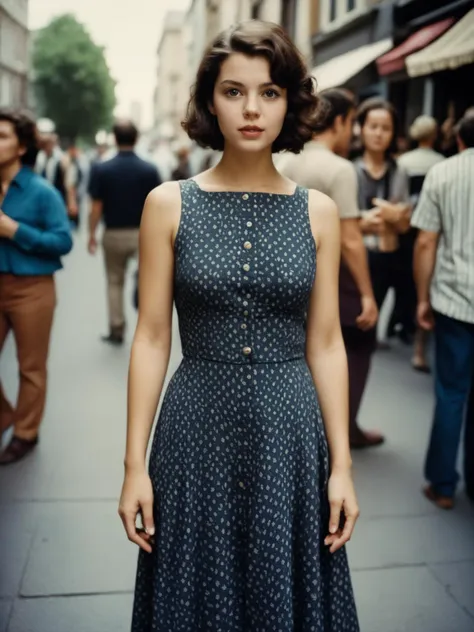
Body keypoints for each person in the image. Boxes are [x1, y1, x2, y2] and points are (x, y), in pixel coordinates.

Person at [118, 20, 360, 631]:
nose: (252, 109)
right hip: (194, 428)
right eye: (233, 91)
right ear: (209, 101)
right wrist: (133, 467)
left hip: (292, 431)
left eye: (270, 92)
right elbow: (150, 337)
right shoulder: (167, 203)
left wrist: (343, 466)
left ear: (290, 103)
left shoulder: (320, 213)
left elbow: (327, 343)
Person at [280, 88, 382, 449]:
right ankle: (342, 428)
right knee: (351, 346)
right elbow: (351, 240)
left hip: (291, 270)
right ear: (338, 121)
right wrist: (368, 294)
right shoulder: (341, 169)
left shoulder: (286, 161)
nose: (352, 131)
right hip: (335, 274)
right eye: (352, 121)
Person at [0, 108, 72, 465]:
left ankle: (26, 432)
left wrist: (14, 230)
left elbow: (62, 241)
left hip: (32, 288)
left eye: (2, 137)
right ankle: (4, 415)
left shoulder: (42, 192)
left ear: (22, 145)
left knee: (31, 366)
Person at [412, 114, 474, 510]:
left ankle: (442, 484)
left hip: (455, 299)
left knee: (451, 392)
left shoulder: (443, 172)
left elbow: (425, 243)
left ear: (457, 139)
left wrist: (421, 298)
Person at [88, 119, 161, 345]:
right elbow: (159, 205)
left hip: (113, 233)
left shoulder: (102, 168)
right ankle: (150, 328)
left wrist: (91, 234)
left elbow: (96, 207)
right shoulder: (149, 170)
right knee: (150, 280)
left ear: (114, 138)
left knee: (114, 281)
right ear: (137, 139)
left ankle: (116, 328)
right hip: (143, 233)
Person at [354, 98, 411, 348]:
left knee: (376, 325)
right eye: (373, 126)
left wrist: (397, 217)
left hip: (390, 254)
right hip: (358, 255)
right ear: (362, 128)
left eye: (385, 128)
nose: (378, 134)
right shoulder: (349, 169)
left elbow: (405, 224)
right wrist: (362, 222)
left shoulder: (399, 171)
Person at [395, 115, 445, 372]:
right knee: (420, 283)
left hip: (408, 228)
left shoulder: (404, 162)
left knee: (404, 278)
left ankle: (401, 321)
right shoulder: (441, 164)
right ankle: (417, 339)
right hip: (431, 231)